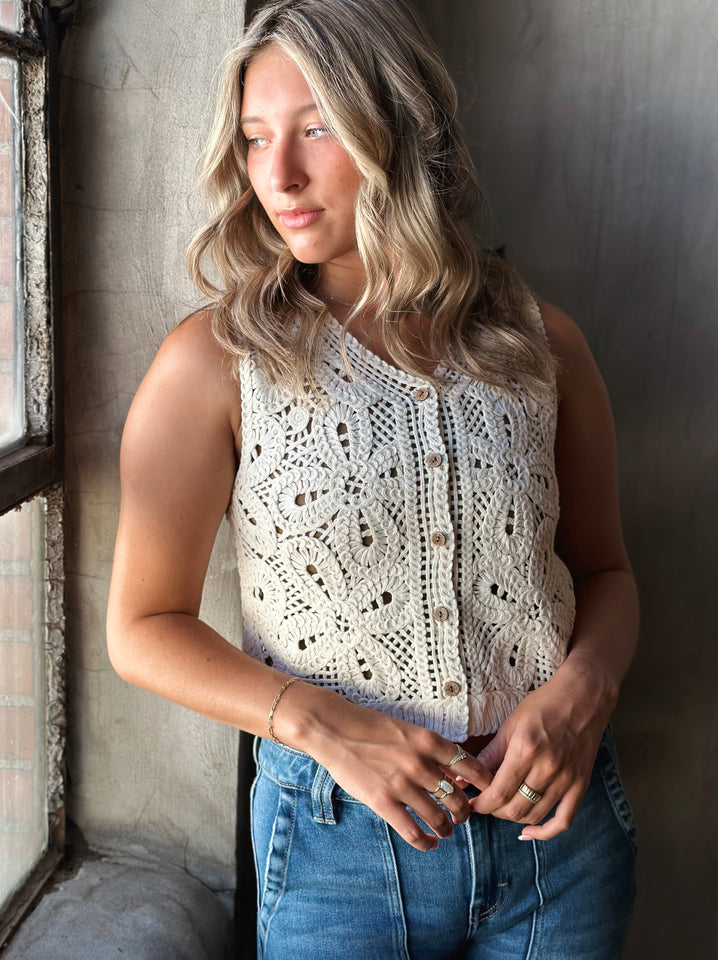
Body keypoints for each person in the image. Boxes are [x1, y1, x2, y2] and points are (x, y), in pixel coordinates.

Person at [106, 1, 639, 957]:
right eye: (255, 137)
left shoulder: (539, 343)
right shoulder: (214, 365)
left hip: (559, 843)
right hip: (335, 855)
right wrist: (322, 726)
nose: (278, 174)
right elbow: (142, 627)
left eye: (316, 129)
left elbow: (605, 572)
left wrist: (583, 693)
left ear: (398, 126)